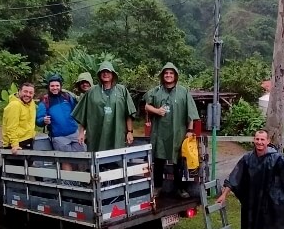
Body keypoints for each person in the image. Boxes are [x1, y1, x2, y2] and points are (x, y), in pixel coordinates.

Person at [143, 62, 199, 198]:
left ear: (175, 76)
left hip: (177, 133)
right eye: (166, 73)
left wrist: (190, 130)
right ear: (163, 76)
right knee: (159, 162)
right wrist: (156, 110)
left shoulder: (183, 92)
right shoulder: (156, 91)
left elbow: (190, 112)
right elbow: (146, 106)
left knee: (178, 162)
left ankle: (181, 188)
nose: (168, 75)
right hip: (160, 133)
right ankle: (157, 187)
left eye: (171, 73)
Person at [72, 61, 137, 151]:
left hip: (116, 133)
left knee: (116, 159)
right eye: (103, 72)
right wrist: (81, 133)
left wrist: (130, 132)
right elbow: (84, 113)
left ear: (113, 74)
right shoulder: (91, 92)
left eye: (108, 71)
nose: (105, 74)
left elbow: (129, 113)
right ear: (99, 75)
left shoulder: (122, 90)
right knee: (97, 160)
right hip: (96, 134)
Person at [36, 74, 84, 153]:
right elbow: (38, 120)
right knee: (66, 161)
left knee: (83, 158)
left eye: (57, 85)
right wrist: (43, 120)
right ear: (49, 87)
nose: (55, 88)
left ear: (60, 86)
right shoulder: (45, 101)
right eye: (52, 86)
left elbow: (77, 112)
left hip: (75, 134)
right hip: (58, 137)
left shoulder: (67, 97)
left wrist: (82, 130)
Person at [2, 82, 36, 154]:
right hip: (16, 144)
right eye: (25, 92)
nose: (28, 95)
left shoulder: (31, 103)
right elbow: (11, 127)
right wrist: (14, 144)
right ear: (19, 91)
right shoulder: (15, 105)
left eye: (30, 93)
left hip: (27, 140)